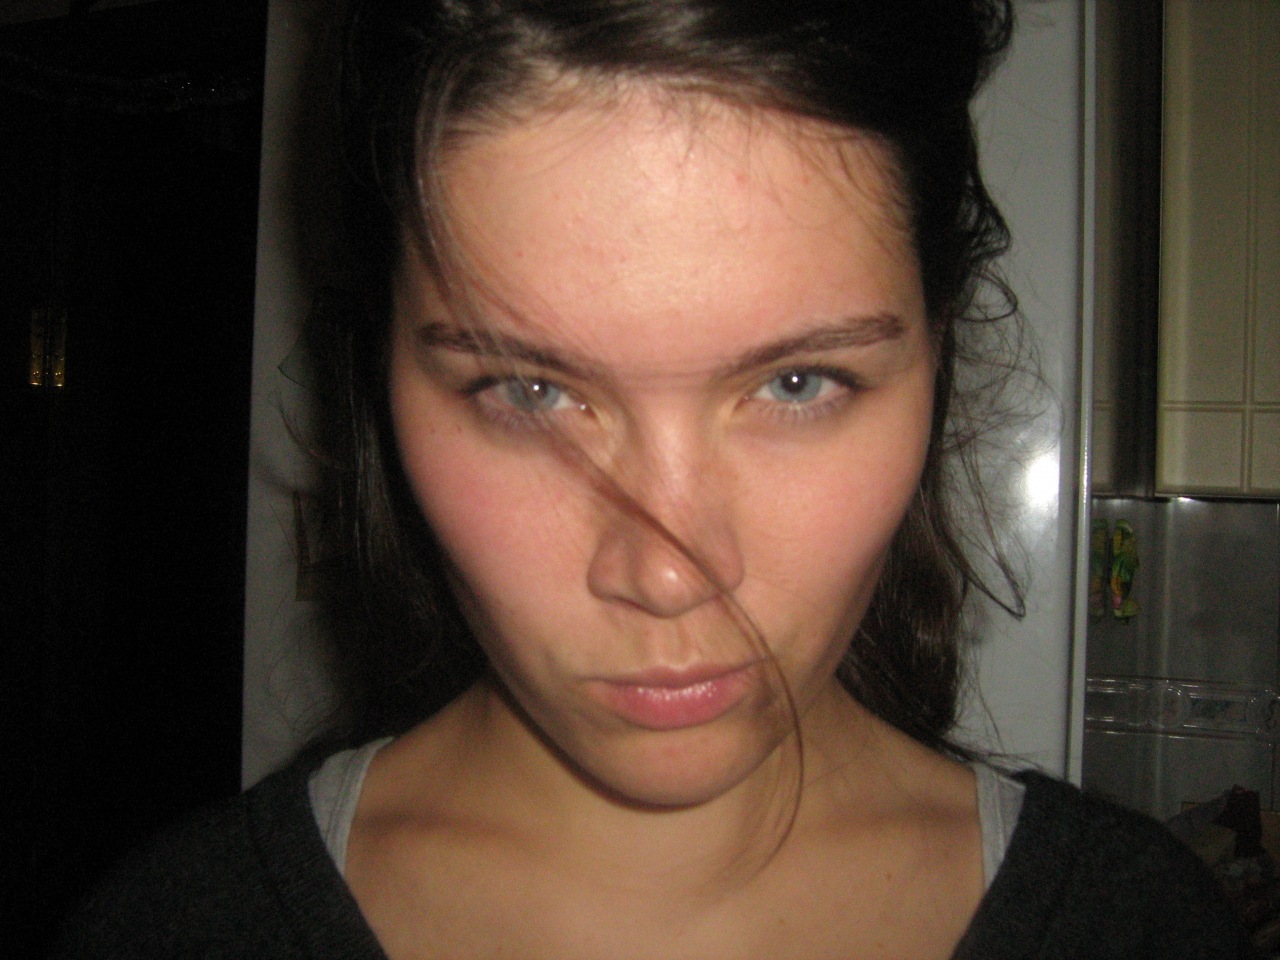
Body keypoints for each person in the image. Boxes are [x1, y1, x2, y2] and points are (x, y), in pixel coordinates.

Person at [55, 1, 1252, 957]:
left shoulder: (1138, 930)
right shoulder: (177, 933)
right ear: (379, 380)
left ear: (935, 359)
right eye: (529, 391)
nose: (669, 572)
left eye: (796, 383)